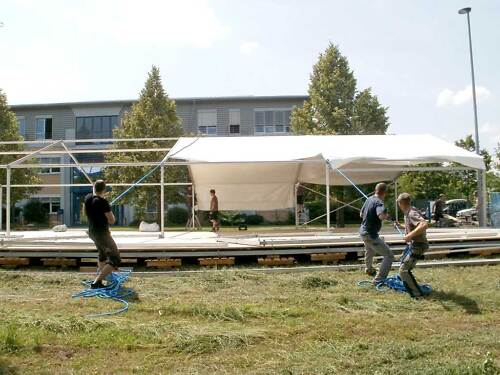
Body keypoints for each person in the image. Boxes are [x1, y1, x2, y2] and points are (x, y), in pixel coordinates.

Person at [84, 180, 121, 289]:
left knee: (102, 255)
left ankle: (103, 276)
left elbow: (88, 212)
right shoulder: (103, 202)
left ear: (94, 188)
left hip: (92, 232)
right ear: (104, 189)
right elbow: (112, 220)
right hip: (102, 233)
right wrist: (108, 207)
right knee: (115, 258)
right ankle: (97, 282)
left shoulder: (88, 199)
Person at [359, 182, 394, 284]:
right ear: (384, 193)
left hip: (363, 232)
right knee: (389, 255)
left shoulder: (368, 199)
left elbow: (361, 214)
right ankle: (379, 279)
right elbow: (380, 216)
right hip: (371, 234)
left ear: (375, 190)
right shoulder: (379, 203)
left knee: (369, 251)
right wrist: (386, 214)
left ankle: (369, 269)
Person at [396, 193, 429, 298]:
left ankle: (417, 294)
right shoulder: (408, 212)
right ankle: (406, 283)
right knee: (402, 260)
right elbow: (412, 226)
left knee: (403, 270)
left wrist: (409, 235)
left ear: (401, 203)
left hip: (418, 246)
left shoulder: (411, 213)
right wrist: (401, 226)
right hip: (413, 245)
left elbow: (424, 224)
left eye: (398, 204)